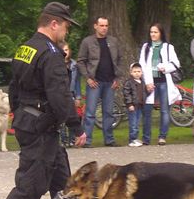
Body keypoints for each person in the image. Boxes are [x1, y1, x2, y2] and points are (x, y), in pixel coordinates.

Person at [0, 2, 89, 199]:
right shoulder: (50, 53)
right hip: (40, 126)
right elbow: (60, 95)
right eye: (65, 26)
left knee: (62, 179)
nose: (66, 32)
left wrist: (17, 113)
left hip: (31, 121)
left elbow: (14, 87)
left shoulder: (25, 48)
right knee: (32, 184)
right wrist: (75, 125)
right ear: (53, 23)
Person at [77, 17, 123, 147]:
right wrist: (88, 77)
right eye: (101, 25)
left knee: (108, 112)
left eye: (106, 25)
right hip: (94, 82)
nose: (104, 28)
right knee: (90, 112)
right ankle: (87, 140)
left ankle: (109, 139)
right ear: (95, 26)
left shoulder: (113, 41)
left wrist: (117, 78)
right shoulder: (88, 42)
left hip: (110, 82)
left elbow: (119, 59)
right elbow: (81, 61)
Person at [138, 23, 182, 145]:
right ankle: (146, 138)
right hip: (150, 83)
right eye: (151, 32)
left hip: (163, 82)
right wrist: (147, 82)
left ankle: (162, 136)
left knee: (164, 110)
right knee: (147, 111)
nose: (153, 34)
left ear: (161, 33)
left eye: (155, 32)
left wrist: (165, 67)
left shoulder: (168, 47)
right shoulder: (146, 47)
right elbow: (142, 65)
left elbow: (176, 64)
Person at [59, 42, 82, 147]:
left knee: (73, 116)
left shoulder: (74, 65)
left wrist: (78, 97)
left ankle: (73, 139)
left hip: (71, 92)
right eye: (63, 50)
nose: (65, 52)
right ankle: (63, 140)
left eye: (67, 50)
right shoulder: (56, 63)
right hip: (59, 93)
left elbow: (77, 81)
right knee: (62, 119)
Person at [122, 62, 147, 147]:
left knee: (137, 123)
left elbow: (144, 93)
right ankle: (132, 139)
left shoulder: (142, 82)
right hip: (132, 106)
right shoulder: (129, 82)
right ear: (131, 72)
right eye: (135, 71)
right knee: (133, 124)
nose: (137, 73)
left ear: (141, 72)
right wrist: (129, 104)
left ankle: (135, 138)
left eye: (139, 71)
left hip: (140, 105)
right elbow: (126, 94)